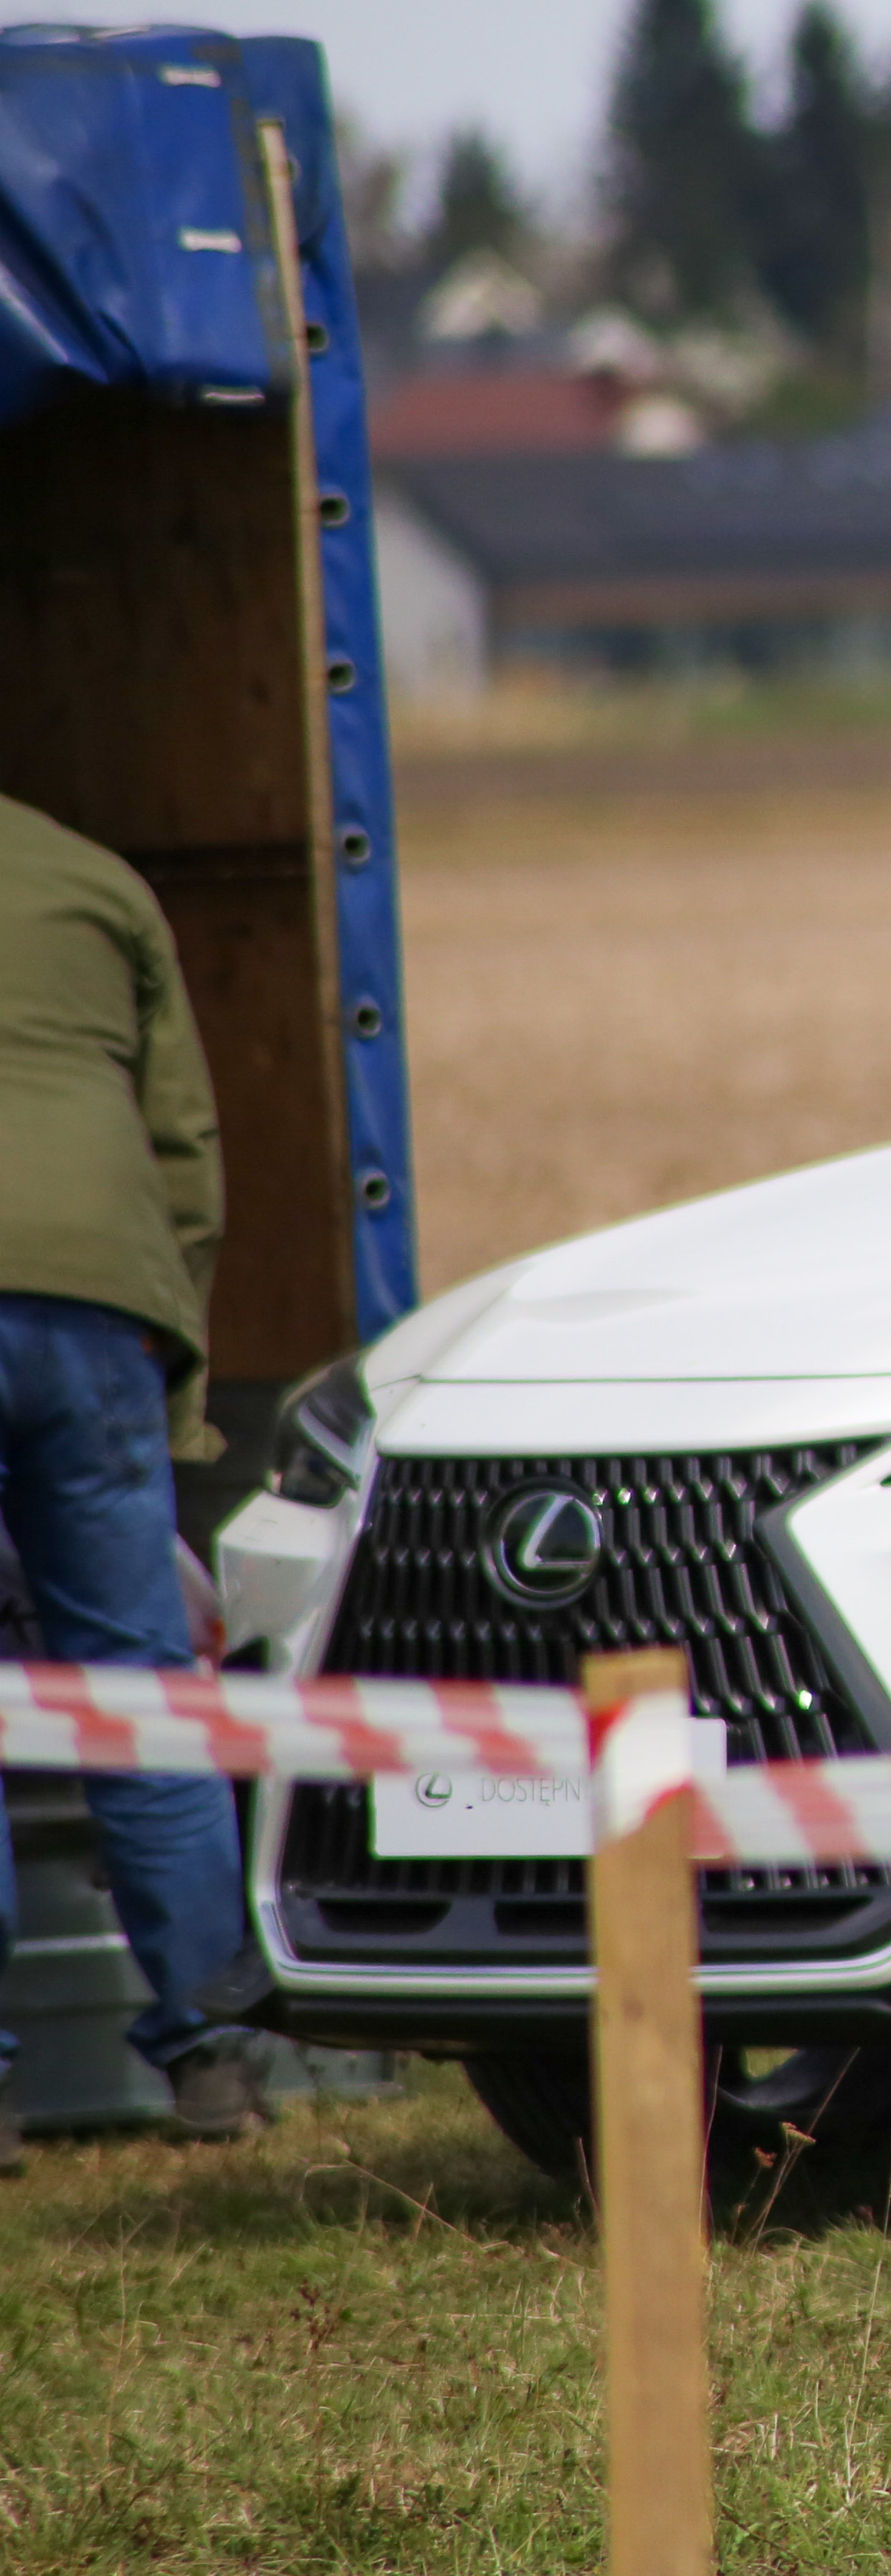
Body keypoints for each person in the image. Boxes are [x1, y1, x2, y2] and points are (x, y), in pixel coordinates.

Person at [0, 788, 262, 2168]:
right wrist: (178, 1356)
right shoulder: (98, 880)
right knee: (136, 1686)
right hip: (97, 1301)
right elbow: (186, 1153)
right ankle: (212, 2051)